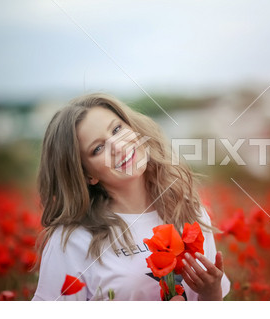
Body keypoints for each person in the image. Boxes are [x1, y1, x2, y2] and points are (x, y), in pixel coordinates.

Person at [32, 93, 230, 301]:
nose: (118, 146)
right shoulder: (73, 241)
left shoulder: (188, 210)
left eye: (117, 129)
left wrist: (211, 293)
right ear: (87, 175)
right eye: (98, 149)